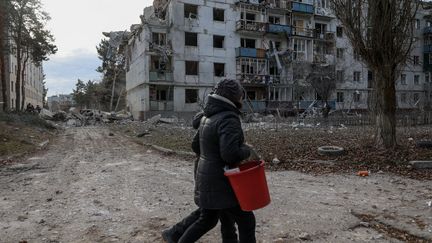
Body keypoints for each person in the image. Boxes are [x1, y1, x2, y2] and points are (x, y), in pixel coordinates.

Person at [178, 79, 256, 243]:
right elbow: (230, 154)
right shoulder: (229, 118)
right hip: (221, 181)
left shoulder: (208, 116)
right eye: (241, 96)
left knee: (210, 220)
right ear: (234, 97)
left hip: (207, 177)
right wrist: (246, 150)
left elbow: (195, 145)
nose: (242, 99)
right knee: (246, 220)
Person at [162, 111, 238, 243]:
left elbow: (196, 145)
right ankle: (174, 233)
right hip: (210, 172)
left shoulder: (211, 117)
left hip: (206, 169)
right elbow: (197, 146)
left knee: (219, 210)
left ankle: (174, 233)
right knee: (210, 213)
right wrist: (212, 153)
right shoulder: (214, 118)